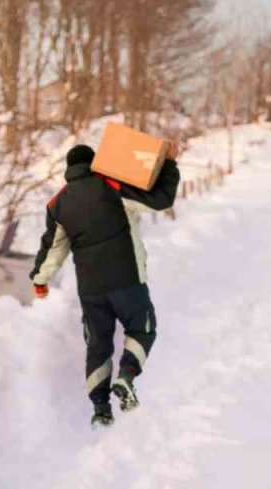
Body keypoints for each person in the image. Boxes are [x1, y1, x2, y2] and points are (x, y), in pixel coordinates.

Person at [29, 143, 180, 428]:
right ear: (95, 163)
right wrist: (169, 164)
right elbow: (160, 199)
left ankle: (101, 409)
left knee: (98, 345)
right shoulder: (111, 184)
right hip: (127, 279)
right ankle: (126, 376)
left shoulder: (57, 204)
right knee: (142, 328)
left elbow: (53, 247)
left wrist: (40, 280)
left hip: (91, 288)